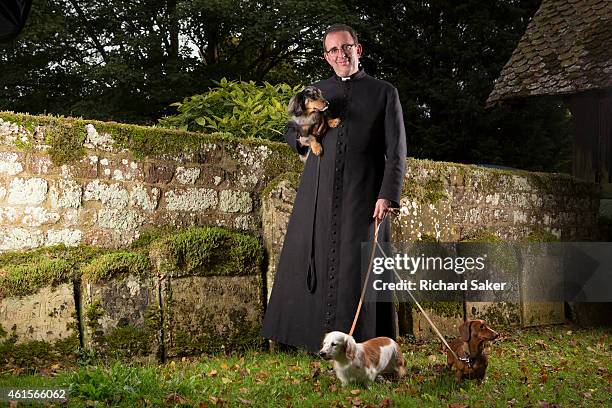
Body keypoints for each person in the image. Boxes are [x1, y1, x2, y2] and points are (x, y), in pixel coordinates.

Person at [261, 24, 407, 352]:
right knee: (309, 255)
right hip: (317, 191)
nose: (341, 55)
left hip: (364, 193)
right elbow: (291, 136)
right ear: (326, 57)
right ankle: (306, 339)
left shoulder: (384, 92)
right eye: (333, 50)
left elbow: (396, 149)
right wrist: (311, 128)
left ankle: (363, 344)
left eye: (346, 47)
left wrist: (388, 194)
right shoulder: (314, 91)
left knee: (359, 265)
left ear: (359, 49)